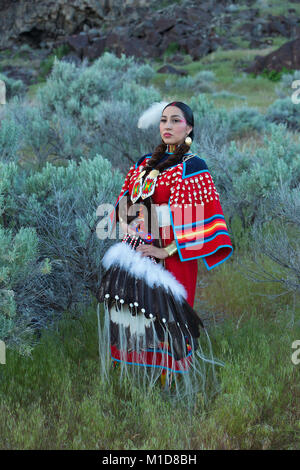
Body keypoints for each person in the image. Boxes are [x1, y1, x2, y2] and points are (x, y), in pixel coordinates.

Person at [97, 101, 233, 399]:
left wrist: (162, 251)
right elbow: (122, 203)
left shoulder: (193, 166)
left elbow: (199, 217)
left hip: (174, 256)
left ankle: (168, 383)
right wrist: (129, 228)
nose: (167, 126)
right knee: (135, 314)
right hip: (137, 249)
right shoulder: (145, 162)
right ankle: (133, 381)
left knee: (168, 316)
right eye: (163, 121)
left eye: (175, 120)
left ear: (189, 127)